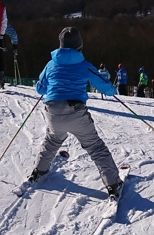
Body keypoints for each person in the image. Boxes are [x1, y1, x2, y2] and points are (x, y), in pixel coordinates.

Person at [28, 27, 122, 198]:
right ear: (80, 46)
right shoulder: (84, 65)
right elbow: (106, 88)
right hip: (76, 111)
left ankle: (39, 171)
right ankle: (113, 184)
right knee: (95, 147)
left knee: (52, 139)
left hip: (53, 111)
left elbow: (39, 88)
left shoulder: (51, 64)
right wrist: (112, 90)